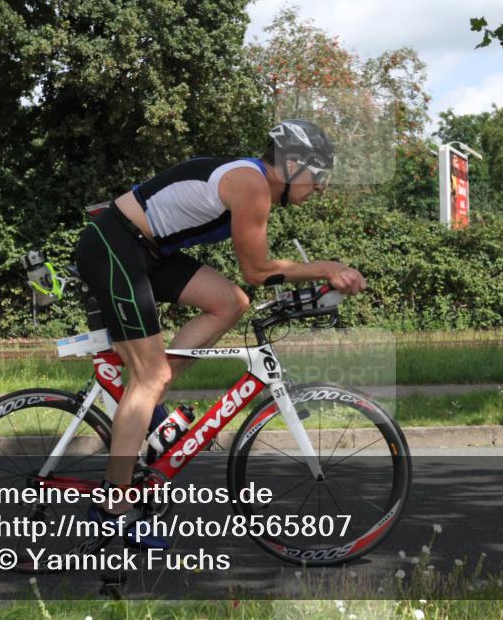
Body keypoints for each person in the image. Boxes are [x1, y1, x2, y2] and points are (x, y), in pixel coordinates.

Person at [73, 119, 367, 547]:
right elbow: (258, 270)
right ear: (292, 165)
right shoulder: (252, 185)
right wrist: (326, 268)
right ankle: (113, 509)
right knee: (149, 377)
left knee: (230, 302)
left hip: (149, 251)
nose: (320, 188)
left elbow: (248, 283)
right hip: (116, 246)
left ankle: (150, 396)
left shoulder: (250, 179)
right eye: (318, 176)